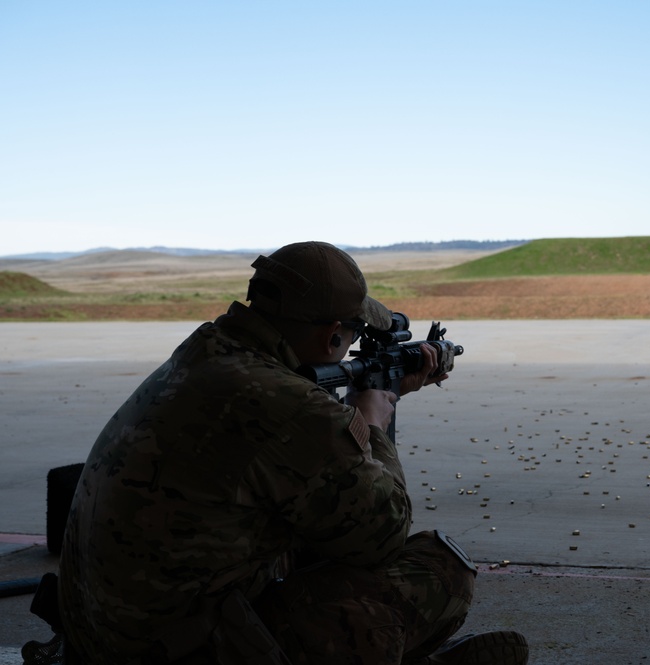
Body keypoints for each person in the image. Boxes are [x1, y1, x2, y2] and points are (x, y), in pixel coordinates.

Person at [54, 241, 529, 665]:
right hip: (178, 648)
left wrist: (374, 398)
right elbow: (382, 533)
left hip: (100, 634)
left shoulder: (206, 353)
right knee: (439, 568)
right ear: (332, 336)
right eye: (354, 333)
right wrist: (374, 417)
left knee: (310, 529)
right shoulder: (292, 405)